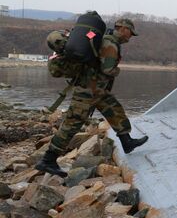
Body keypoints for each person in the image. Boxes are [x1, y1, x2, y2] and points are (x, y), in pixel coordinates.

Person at [35, 18, 148, 177]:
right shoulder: (110, 43)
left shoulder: (106, 40)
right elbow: (108, 69)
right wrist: (117, 71)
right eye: (130, 32)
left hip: (97, 90)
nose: (130, 37)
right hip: (88, 92)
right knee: (71, 125)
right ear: (122, 29)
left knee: (114, 109)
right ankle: (48, 160)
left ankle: (126, 141)